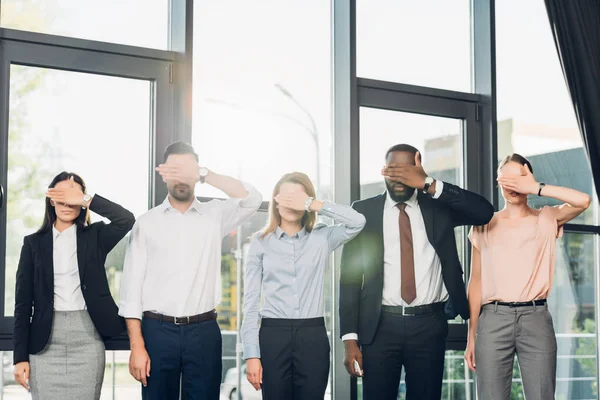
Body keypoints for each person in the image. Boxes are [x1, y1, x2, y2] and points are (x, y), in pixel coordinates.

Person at [339, 143, 494, 400]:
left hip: (428, 325)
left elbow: (484, 212)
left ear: (418, 170)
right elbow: (349, 279)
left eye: (407, 169)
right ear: (384, 172)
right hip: (379, 326)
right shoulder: (363, 211)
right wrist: (349, 339)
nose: (400, 177)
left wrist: (430, 184)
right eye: (393, 170)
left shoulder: (438, 207)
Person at [119, 141, 262, 400]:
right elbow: (130, 292)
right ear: (163, 175)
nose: (181, 177)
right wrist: (137, 346)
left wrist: (206, 174)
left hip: (203, 332)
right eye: (174, 170)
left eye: (187, 170)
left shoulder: (215, 215)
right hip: (157, 332)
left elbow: (253, 198)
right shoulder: (146, 223)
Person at [465, 153, 590, 400]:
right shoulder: (483, 224)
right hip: (493, 320)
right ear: (498, 181)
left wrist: (536, 188)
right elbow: (476, 281)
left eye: (519, 178)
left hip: (536, 318)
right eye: (507, 178)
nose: (513, 184)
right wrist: (472, 336)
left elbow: (583, 201)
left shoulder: (547, 217)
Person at [241, 172, 366, 400]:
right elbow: (249, 303)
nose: (291, 200)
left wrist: (312, 204)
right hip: (272, 336)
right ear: (275, 200)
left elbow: (358, 221)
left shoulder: (323, 238)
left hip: (313, 336)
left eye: (298, 196)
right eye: (286, 195)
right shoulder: (260, 243)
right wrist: (251, 354)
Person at [13, 172, 134, 400]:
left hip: (87, 340)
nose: (67, 203)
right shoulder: (33, 244)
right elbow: (22, 305)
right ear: (51, 200)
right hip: (44, 344)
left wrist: (87, 199)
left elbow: (126, 219)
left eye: (73, 196)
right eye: (61, 196)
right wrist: (20, 358)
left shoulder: (96, 236)